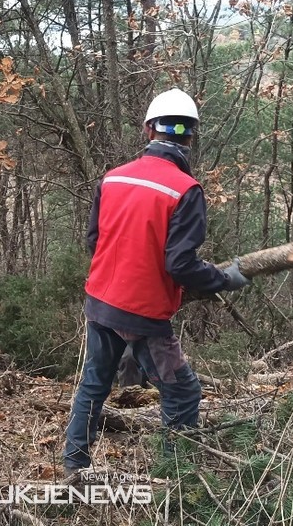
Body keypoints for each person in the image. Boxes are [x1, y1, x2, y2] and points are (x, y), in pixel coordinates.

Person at [62, 88, 251, 476]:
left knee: (95, 384)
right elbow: (181, 264)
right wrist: (223, 278)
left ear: (150, 130)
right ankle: (176, 481)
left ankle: (75, 467)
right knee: (182, 393)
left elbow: (94, 242)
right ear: (190, 136)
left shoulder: (112, 179)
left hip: (100, 302)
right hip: (145, 317)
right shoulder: (186, 190)